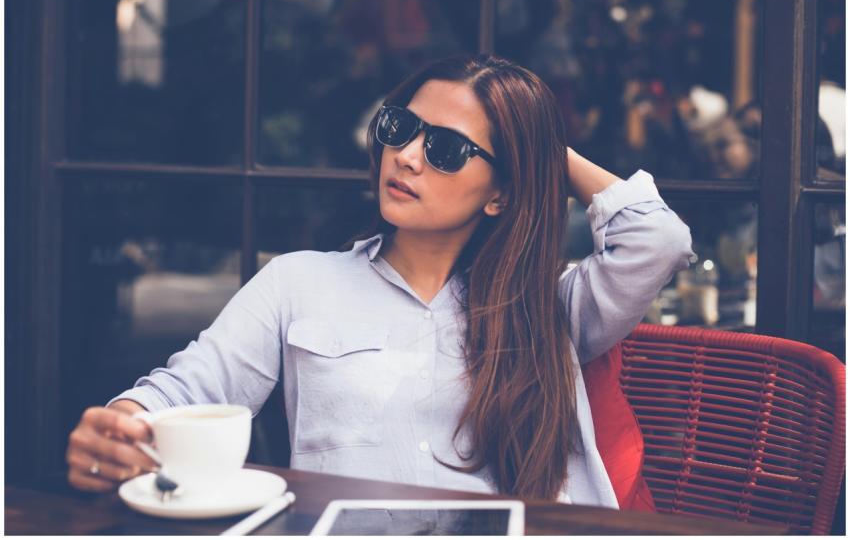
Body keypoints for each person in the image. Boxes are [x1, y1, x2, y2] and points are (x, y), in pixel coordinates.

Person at [66, 53, 696, 505]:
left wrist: (541, 150)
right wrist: (122, 425)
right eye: (401, 128)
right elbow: (185, 389)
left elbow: (658, 240)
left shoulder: (548, 308)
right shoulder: (296, 283)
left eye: (447, 149)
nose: (408, 155)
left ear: (499, 194)